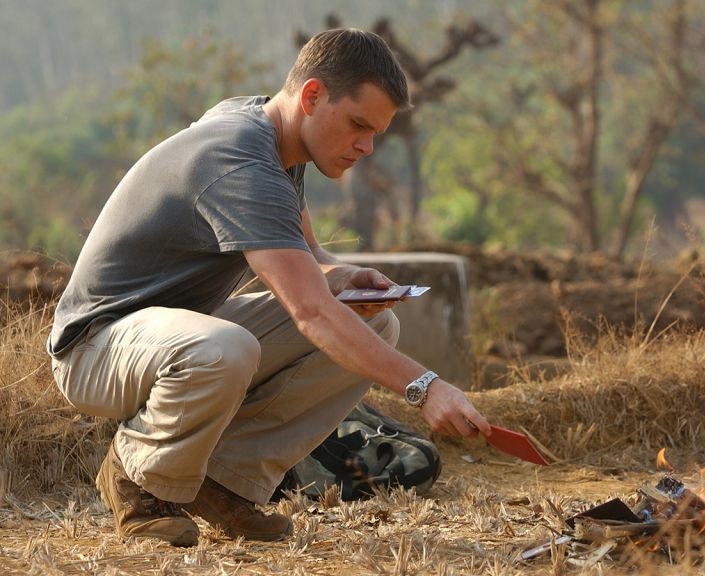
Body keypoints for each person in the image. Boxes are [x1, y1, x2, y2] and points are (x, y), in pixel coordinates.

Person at [46, 28, 491, 547]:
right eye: (358, 125)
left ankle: (222, 481)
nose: (367, 147)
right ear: (311, 96)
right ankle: (139, 478)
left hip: (172, 335)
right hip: (96, 347)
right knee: (227, 348)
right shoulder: (241, 160)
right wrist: (426, 387)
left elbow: (312, 259)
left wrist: (341, 277)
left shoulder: (273, 137)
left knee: (376, 320)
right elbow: (311, 313)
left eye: (376, 134)